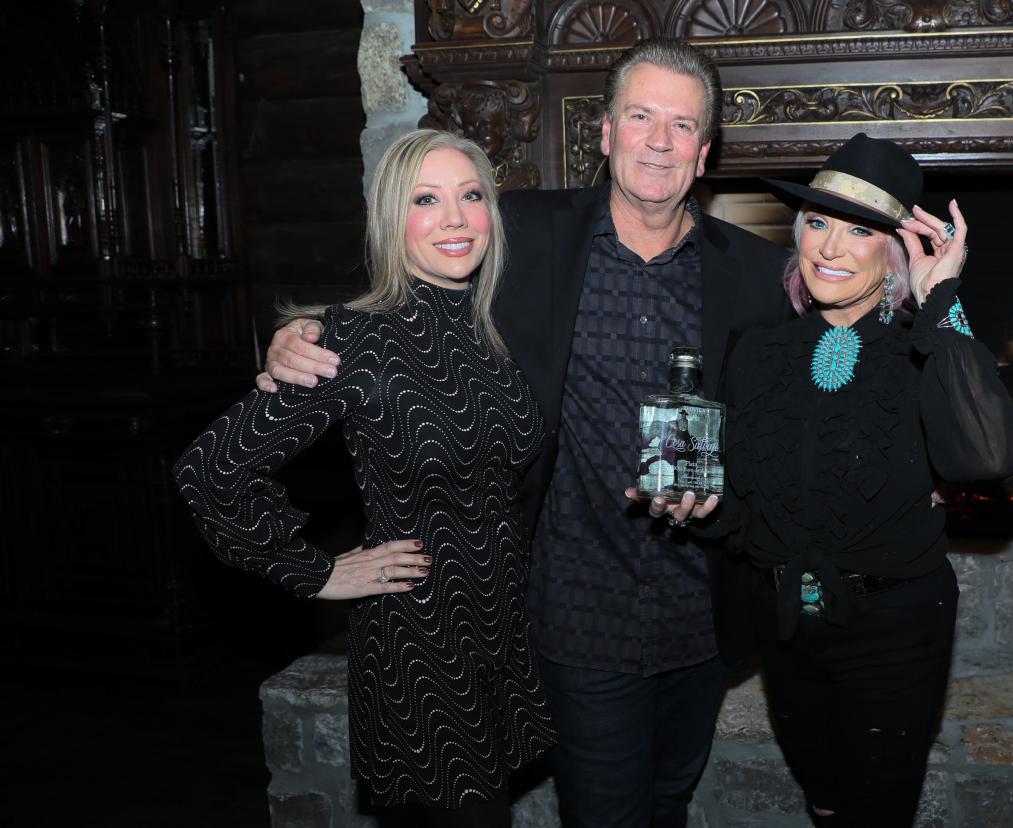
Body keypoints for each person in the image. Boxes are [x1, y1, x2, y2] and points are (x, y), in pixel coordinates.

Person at [257, 39, 790, 828]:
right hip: (574, 610)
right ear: (605, 133)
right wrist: (301, 334)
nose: (659, 140)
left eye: (681, 126)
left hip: (701, 616)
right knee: (605, 813)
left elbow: (788, 409)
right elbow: (412, 284)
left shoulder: (756, 272)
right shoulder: (519, 235)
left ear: (704, 153)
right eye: (640, 116)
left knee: (669, 800)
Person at [174, 129, 555, 827]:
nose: (454, 219)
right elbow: (212, 470)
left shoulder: (489, 327)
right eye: (426, 200)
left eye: (471, 196)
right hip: (424, 639)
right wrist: (317, 573)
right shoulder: (357, 340)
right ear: (391, 218)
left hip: (498, 627)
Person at [705, 133, 1013, 826]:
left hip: (893, 629)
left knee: (876, 813)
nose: (829, 246)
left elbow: (989, 455)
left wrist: (940, 296)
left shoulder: (926, 349)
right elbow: (740, 491)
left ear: (894, 252)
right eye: (818, 222)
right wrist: (694, 503)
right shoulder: (759, 350)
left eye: (860, 231)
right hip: (787, 625)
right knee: (822, 798)